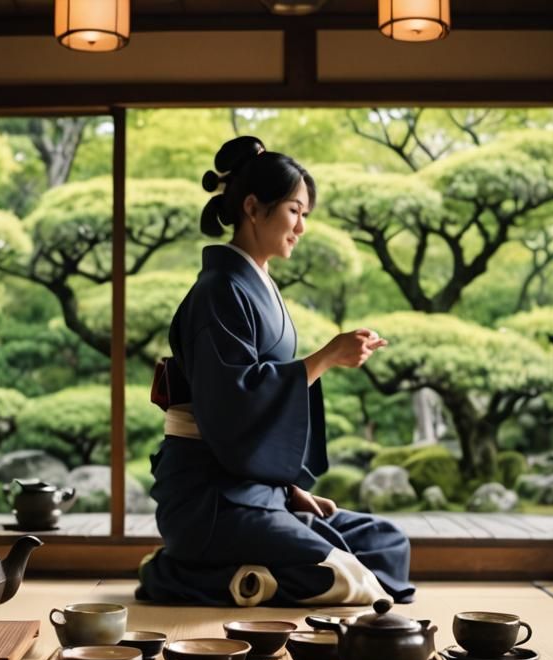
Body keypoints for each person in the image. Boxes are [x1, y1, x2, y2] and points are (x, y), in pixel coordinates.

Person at [137, 136, 415, 607]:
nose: (302, 227)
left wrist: (287, 488)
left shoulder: (255, 283)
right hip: (211, 498)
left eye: (305, 214)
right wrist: (325, 357)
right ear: (252, 207)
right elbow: (234, 402)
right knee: (346, 575)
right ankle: (173, 574)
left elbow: (252, 410)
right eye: (294, 210)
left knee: (387, 545)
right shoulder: (219, 291)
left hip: (255, 489)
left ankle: (237, 573)